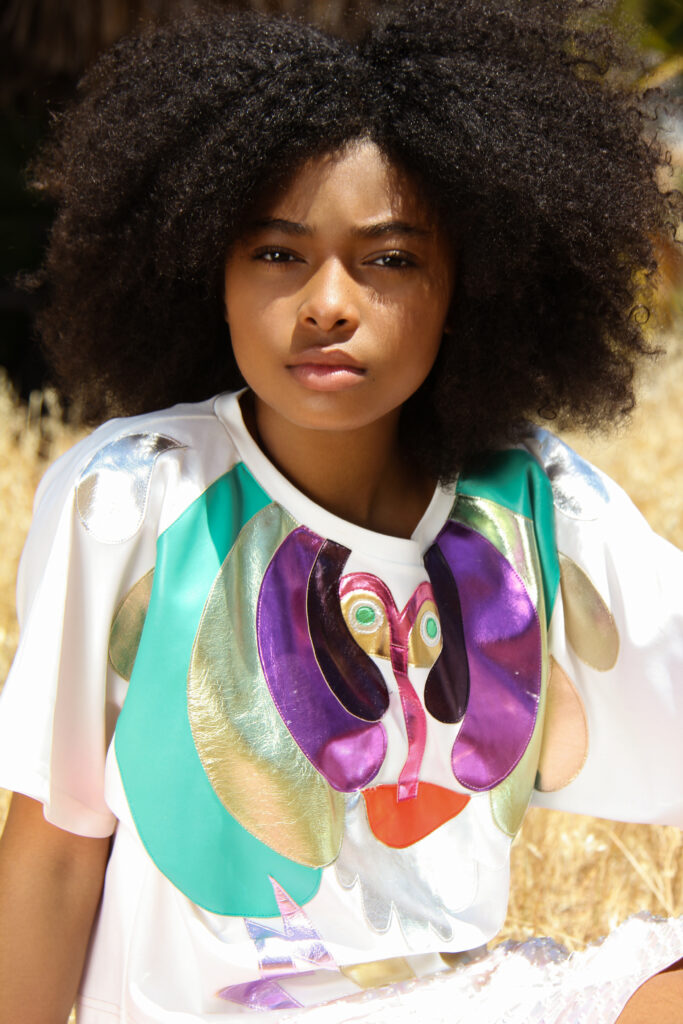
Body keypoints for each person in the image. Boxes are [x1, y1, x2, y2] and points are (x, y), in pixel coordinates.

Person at [0, 1, 681, 1021]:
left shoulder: (529, 501)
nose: (326, 301)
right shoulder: (136, 493)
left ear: (467, 286)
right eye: (278, 254)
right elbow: (57, 846)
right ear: (209, 270)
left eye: (389, 259)